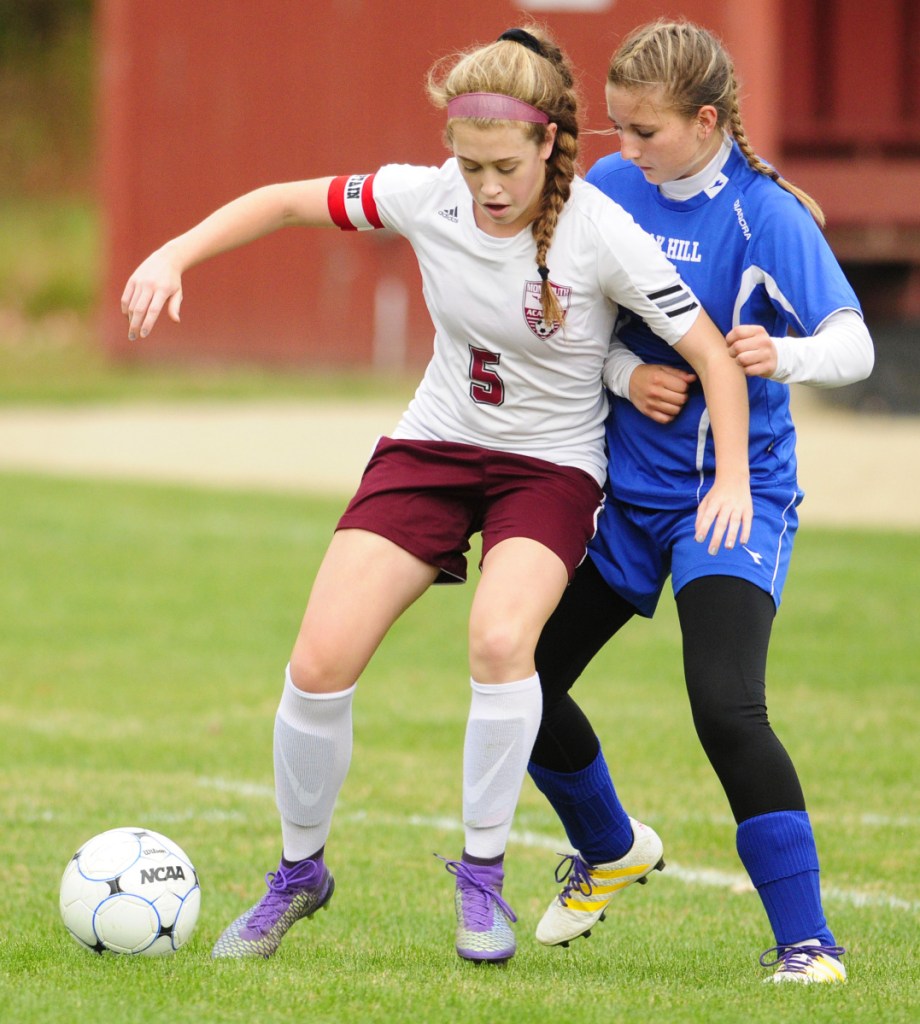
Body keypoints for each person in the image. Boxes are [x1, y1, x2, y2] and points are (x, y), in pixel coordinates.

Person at [121, 25, 753, 965]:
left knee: (502, 643)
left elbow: (712, 356)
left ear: (549, 143)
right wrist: (175, 252)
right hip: (433, 445)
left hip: (550, 469)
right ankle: (299, 875)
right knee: (319, 660)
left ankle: (483, 883)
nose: (487, 188)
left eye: (505, 165)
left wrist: (734, 477)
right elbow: (286, 201)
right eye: (469, 167)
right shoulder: (425, 196)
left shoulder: (601, 231)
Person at [527, 18, 873, 984]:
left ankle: (809, 946)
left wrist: (789, 353)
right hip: (623, 495)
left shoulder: (768, 216)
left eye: (643, 132)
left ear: (707, 120)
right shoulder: (607, 191)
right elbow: (566, 330)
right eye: (616, 130)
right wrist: (629, 371)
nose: (624, 150)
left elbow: (856, 343)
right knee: (521, 678)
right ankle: (609, 850)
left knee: (727, 708)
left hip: (734, 497)